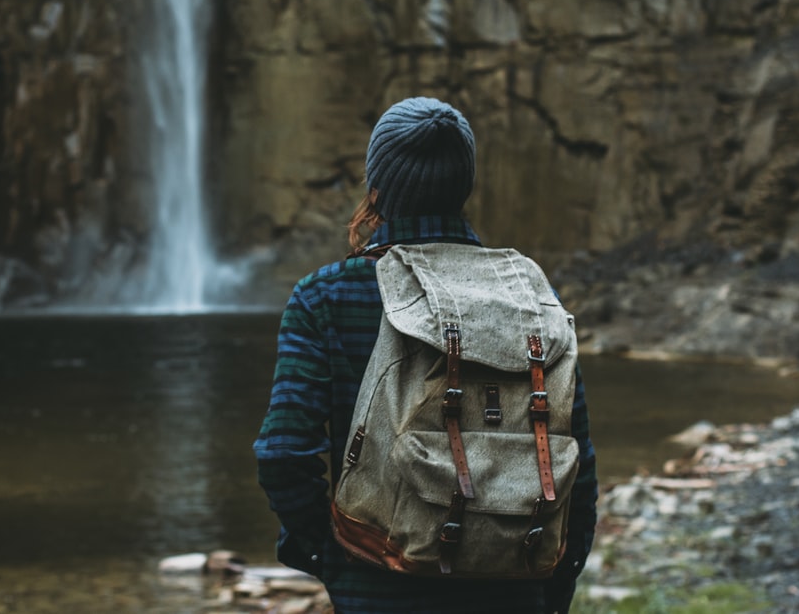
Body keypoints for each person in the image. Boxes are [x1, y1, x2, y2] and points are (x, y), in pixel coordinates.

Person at [254, 96, 598, 613]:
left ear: (378, 187)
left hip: (378, 589)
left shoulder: (325, 297)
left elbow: (283, 455)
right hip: (511, 589)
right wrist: (550, 584)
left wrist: (336, 559)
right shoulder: (528, 296)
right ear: (465, 186)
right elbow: (579, 465)